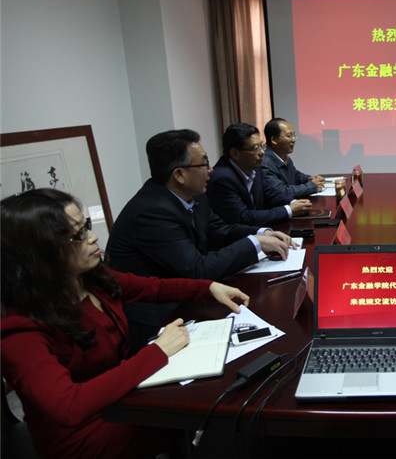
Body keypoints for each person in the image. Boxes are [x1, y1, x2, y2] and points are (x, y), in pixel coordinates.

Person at [0, 189, 251, 459]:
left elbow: (152, 288)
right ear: (39, 253)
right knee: (209, 418)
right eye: (77, 235)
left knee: (215, 404)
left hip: (123, 399)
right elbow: (68, 405)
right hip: (82, 435)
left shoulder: (90, 278)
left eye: (85, 226)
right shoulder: (19, 329)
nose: (92, 237)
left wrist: (208, 287)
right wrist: (157, 352)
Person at [106, 129, 294, 351]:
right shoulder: (152, 211)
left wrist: (262, 233)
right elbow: (196, 268)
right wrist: (255, 243)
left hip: (190, 299)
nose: (211, 170)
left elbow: (220, 229)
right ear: (179, 175)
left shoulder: (194, 196)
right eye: (204, 164)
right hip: (158, 320)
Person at [207, 123, 312, 226]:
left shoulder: (254, 167)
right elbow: (243, 217)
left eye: (262, 146)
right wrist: (289, 210)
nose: (262, 152)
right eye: (255, 148)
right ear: (235, 153)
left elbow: (270, 194)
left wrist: (294, 203)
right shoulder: (221, 178)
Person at [262, 118, 326, 199]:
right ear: (274, 140)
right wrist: (312, 186)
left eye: (294, 135)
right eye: (289, 136)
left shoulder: (284, 156)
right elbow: (280, 192)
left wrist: (309, 179)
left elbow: (295, 176)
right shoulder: (265, 163)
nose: (294, 140)